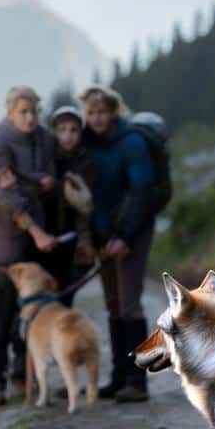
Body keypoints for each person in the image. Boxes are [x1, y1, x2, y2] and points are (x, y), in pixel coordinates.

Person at [0, 86, 58, 408]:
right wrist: (36, 230)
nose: (30, 118)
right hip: (6, 240)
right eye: (23, 112)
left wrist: (39, 180)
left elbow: (50, 174)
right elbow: (3, 196)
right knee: (3, 311)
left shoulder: (43, 138)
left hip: (38, 236)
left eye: (34, 111)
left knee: (32, 311)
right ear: (10, 113)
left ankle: (24, 375)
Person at [79, 86, 157, 403]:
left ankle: (138, 380)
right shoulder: (87, 144)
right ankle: (119, 376)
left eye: (101, 112)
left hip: (132, 233)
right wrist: (98, 238)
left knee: (129, 304)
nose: (96, 118)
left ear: (113, 112)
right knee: (112, 303)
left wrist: (124, 237)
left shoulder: (132, 142)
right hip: (103, 234)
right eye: (91, 113)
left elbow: (142, 192)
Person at [40, 104, 99, 307]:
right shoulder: (45, 159)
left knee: (64, 297)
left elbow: (86, 207)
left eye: (73, 130)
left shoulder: (87, 162)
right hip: (44, 238)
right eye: (62, 130)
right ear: (54, 132)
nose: (68, 136)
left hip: (72, 239)